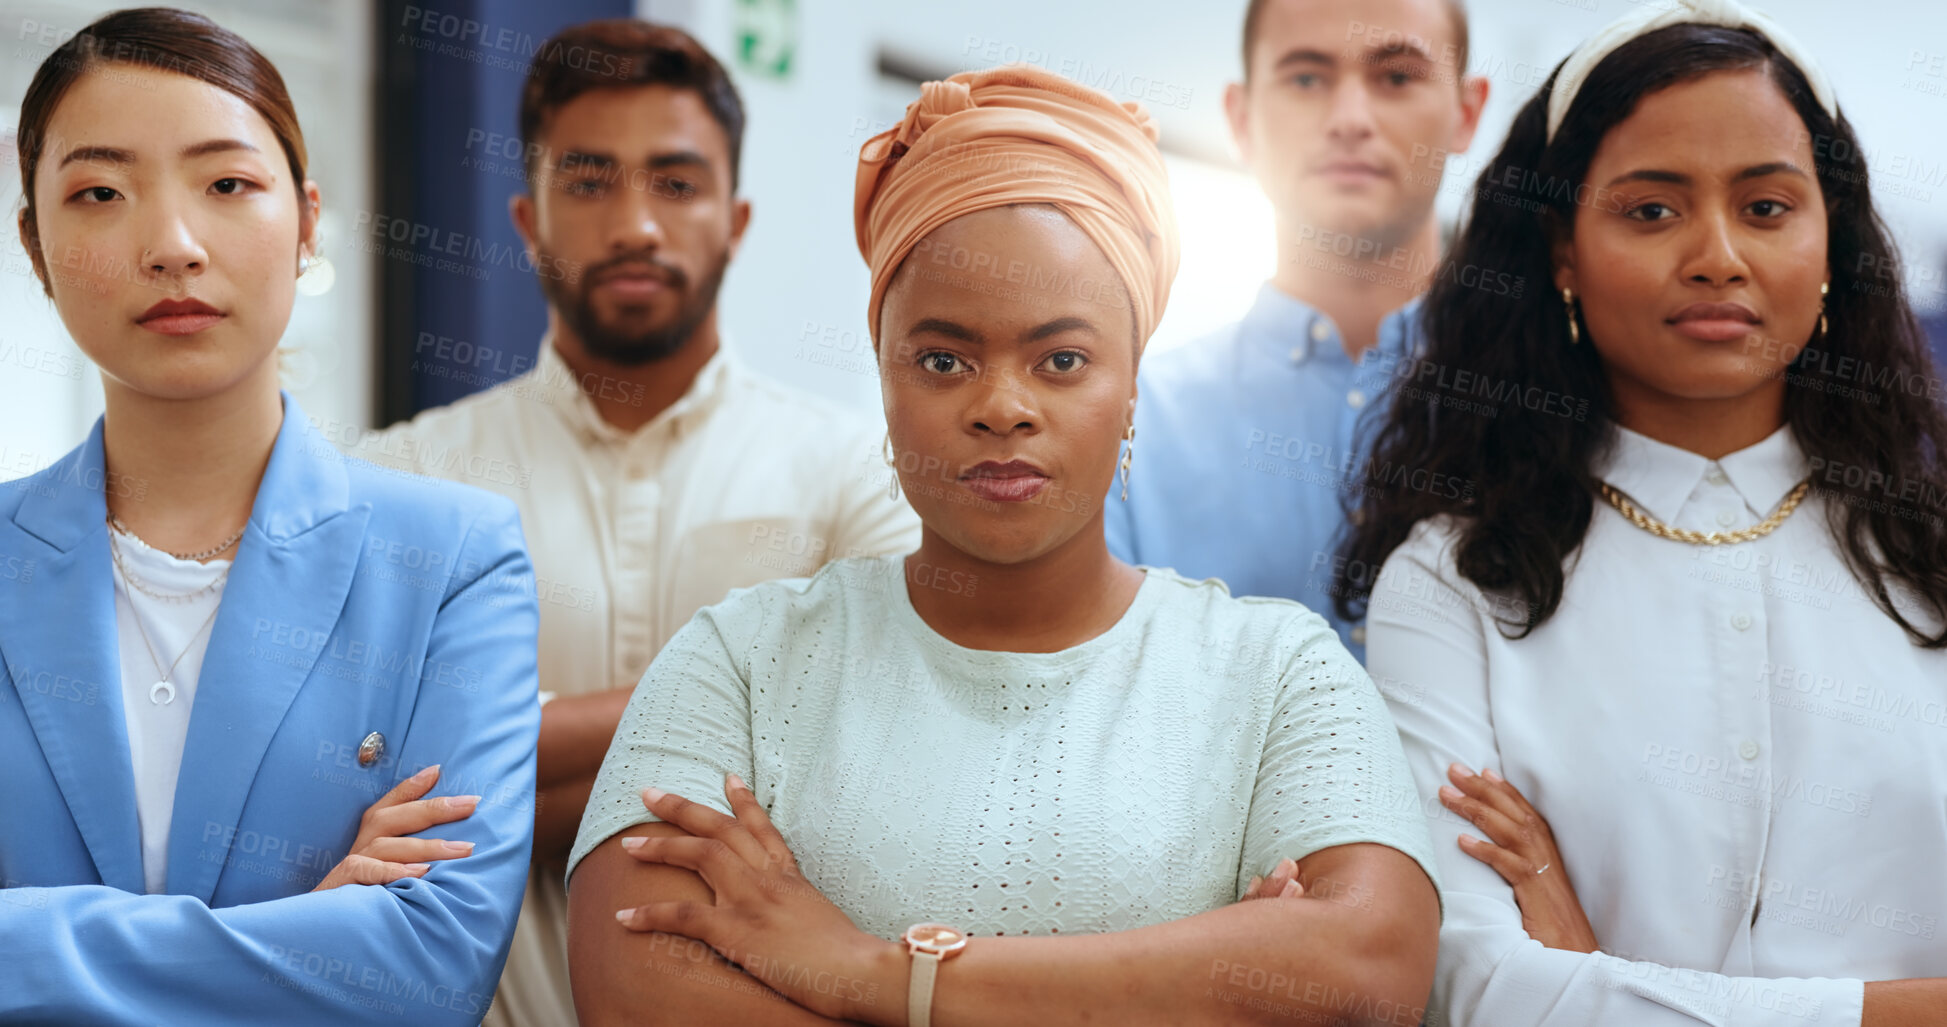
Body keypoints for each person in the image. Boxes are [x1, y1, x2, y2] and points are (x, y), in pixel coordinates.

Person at [562, 64, 1442, 1027]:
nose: (1002, 407)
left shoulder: (1276, 671)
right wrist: (1190, 983)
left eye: (1062, 360)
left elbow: (1368, 966)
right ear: (884, 381)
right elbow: (631, 985)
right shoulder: (742, 659)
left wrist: (866, 969)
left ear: (1132, 384)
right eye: (943, 359)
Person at [1336, 1, 1947, 1024]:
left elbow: (1546, 996)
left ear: (1833, 240)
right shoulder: (1453, 581)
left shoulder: (1927, 553)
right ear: (1561, 252)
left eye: (1766, 207)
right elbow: (1474, 983)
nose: (1716, 254)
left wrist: (1590, 969)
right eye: (1651, 210)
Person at [349, 19, 919, 1027]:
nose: (636, 225)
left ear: (736, 219)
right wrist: (769, 711)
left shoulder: (861, 469)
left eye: (676, 181)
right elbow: (371, 790)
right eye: (589, 180)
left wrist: (508, 752)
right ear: (527, 219)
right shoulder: (403, 478)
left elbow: (884, 772)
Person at [0, 8, 538, 1023]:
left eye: (228, 183)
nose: (172, 243)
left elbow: (428, 968)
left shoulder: (454, 560)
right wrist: (303, 935)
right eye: (100, 192)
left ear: (306, 221)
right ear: (35, 242)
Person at [1107, 0, 1487, 659]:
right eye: (1306, 78)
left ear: (1466, 112)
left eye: (1395, 77)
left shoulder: (1562, 408)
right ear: (1239, 118)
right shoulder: (1124, 422)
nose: (1348, 119)